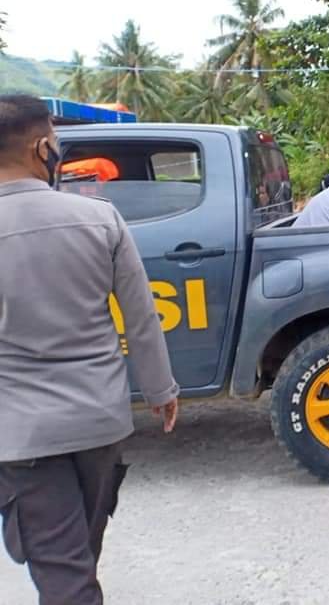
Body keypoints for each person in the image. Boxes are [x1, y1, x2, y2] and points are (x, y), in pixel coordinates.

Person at [0, 94, 180, 604]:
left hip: (22, 434)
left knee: (64, 574)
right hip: (99, 421)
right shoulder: (100, 219)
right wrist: (161, 390)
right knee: (80, 557)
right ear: (42, 148)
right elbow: (141, 317)